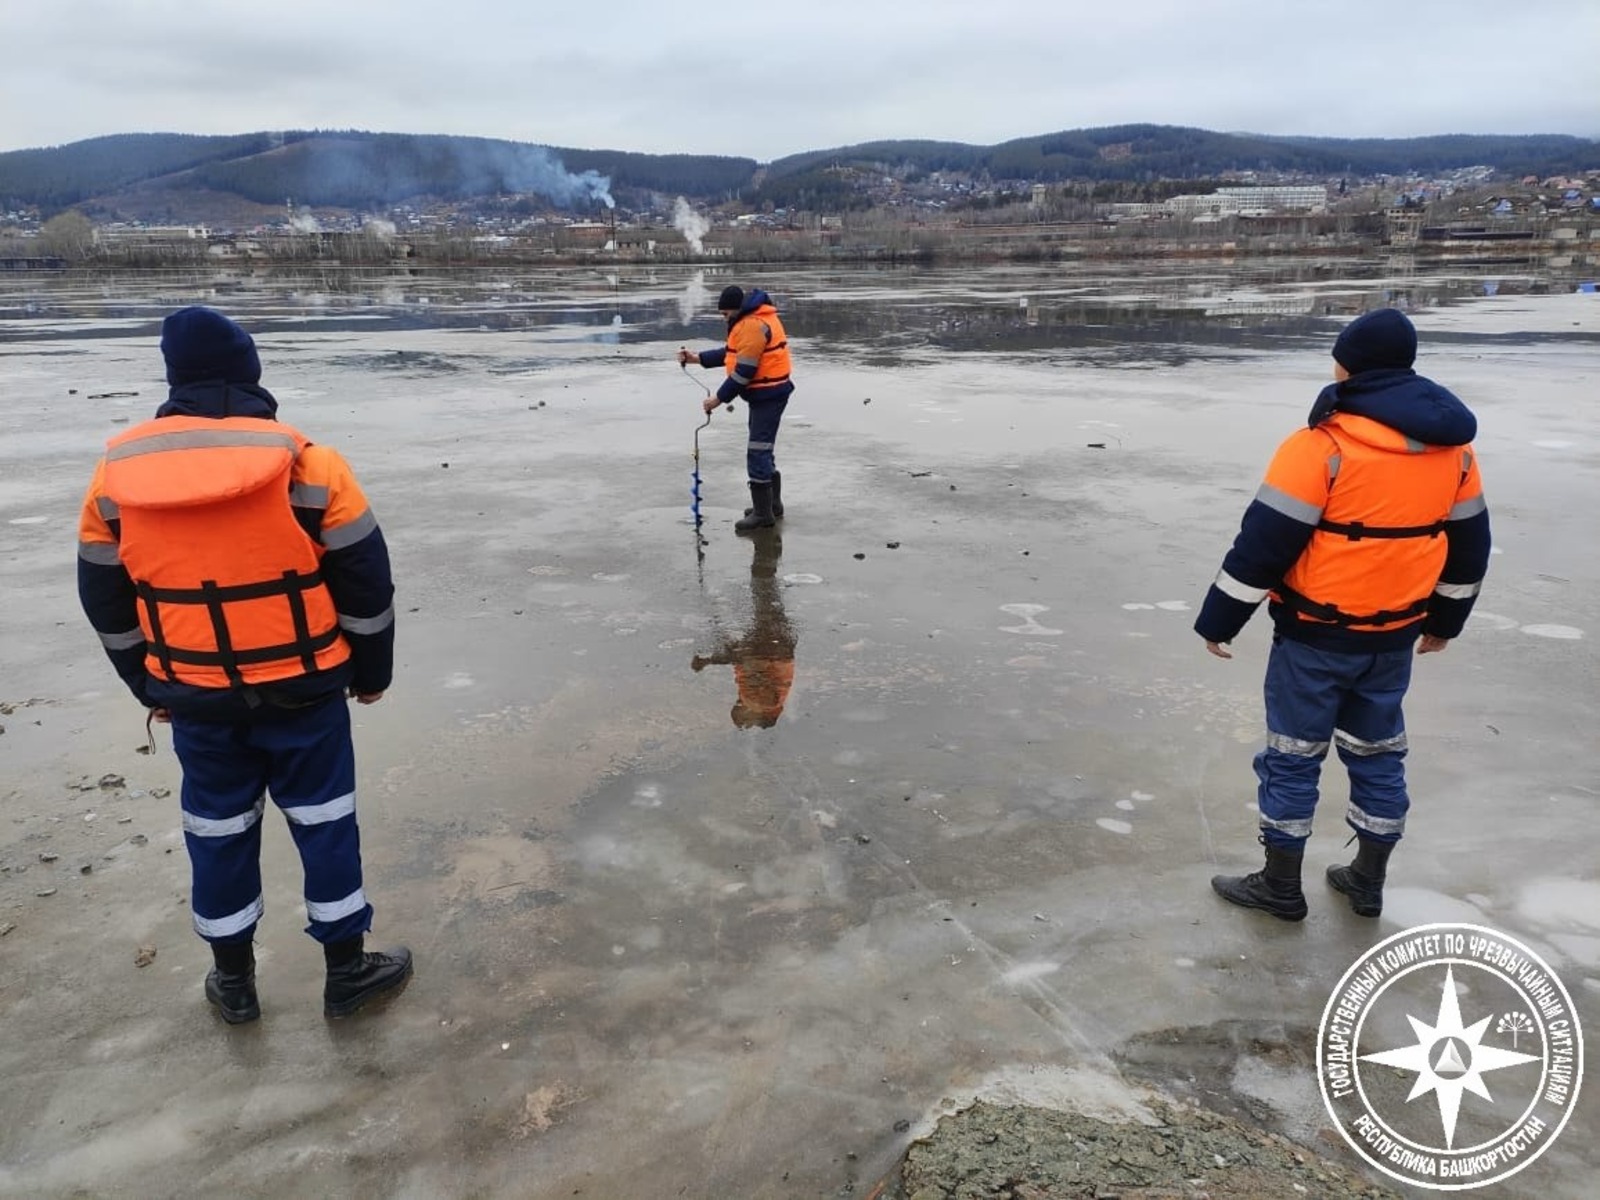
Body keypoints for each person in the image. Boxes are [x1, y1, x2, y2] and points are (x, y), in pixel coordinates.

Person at [76, 306, 412, 1022]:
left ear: (175, 378)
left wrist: (147, 683)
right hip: (306, 693)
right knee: (325, 823)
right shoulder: (309, 463)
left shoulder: (115, 475)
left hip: (195, 697)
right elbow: (367, 585)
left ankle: (233, 984)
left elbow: (104, 598)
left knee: (218, 830)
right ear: (250, 373)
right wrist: (372, 674)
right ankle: (346, 972)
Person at [1194, 308, 1491, 921]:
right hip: (1394, 639)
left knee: (1292, 756)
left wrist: (1220, 621)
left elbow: (1264, 545)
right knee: (1379, 754)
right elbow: (1470, 547)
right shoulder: (1456, 453)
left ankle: (1280, 887)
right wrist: (1444, 623)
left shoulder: (1321, 447)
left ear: (1347, 365)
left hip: (1314, 640)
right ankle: (1367, 881)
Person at [677, 285, 795, 533]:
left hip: (769, 395)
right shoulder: (752, 319)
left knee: (757, 451)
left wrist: (718, 399)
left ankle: (763, 514)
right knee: (763, 449)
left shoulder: (752, 325)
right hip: (767, 394)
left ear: (736, 309)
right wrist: (697, 358)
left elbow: (744, 372)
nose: (724, 318)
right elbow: (732, 353)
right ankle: (772, 505)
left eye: (725, 314)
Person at [691, 532, 796, 728]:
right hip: (772, 652)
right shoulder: (764, 704)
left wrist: (712, 660)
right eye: (742, 710)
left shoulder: (758, 701)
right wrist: (717, 659)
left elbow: (745, 666)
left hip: (769, 651)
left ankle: (766, 561)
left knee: (764, 604)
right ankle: (766, 558)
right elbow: (750, 666)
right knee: (764, 602)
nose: (739, 704)